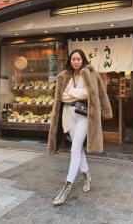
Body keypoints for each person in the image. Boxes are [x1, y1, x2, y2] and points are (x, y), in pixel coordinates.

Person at [47, 49, 112, 206]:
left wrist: (73, 92)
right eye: (73, 59)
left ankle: (66, 187)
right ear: (70, 60)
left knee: (75, 149)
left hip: (84, 116)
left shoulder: (91, 74)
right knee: (78, 149)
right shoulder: (64, 76)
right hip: (69, 116)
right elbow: (61, 96)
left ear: (83, 60)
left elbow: (92, 94)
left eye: (78, 59)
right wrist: (79, 93)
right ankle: (87, 176)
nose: (76, 61)